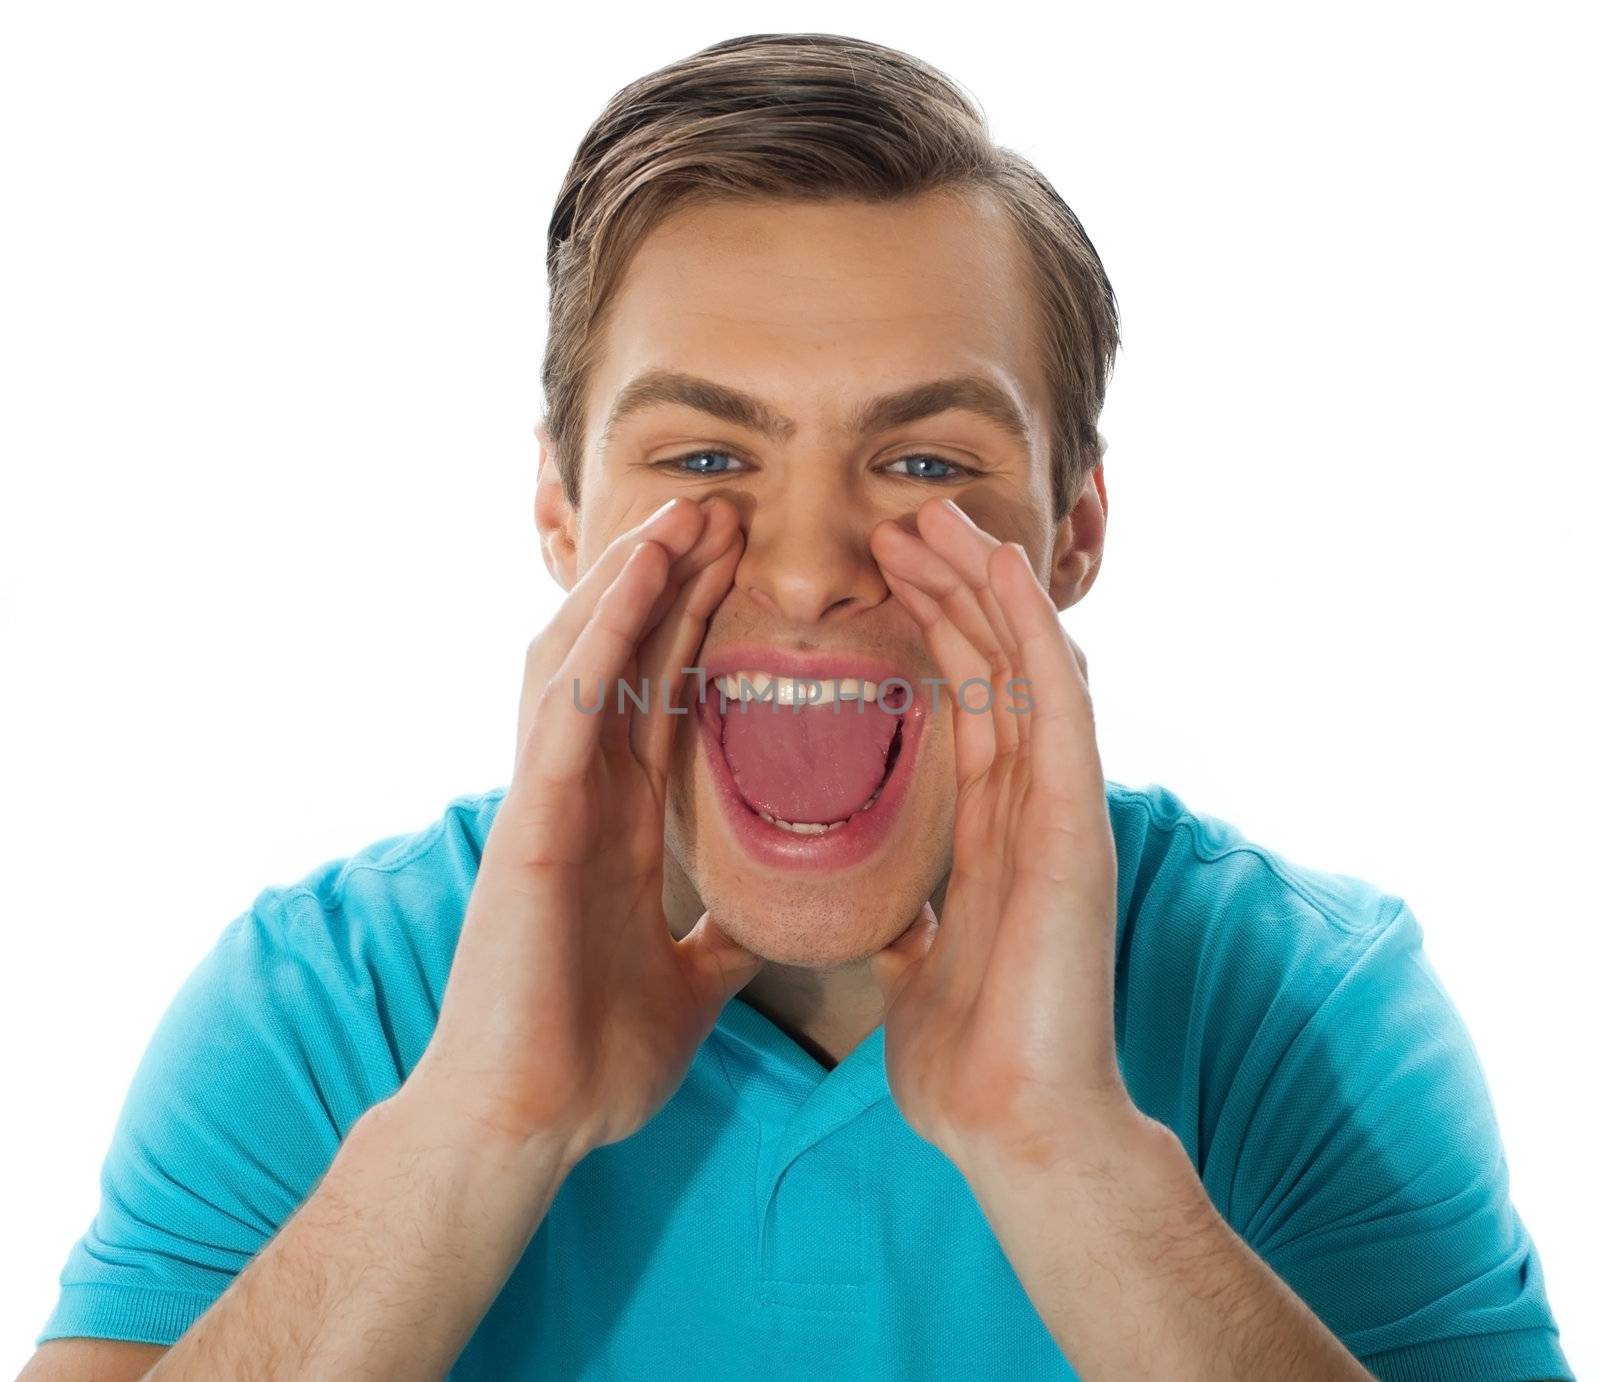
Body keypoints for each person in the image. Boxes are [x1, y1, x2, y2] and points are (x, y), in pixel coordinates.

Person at [24, 31, 1572, 1382]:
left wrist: (1070, 1157)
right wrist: (476, 1126)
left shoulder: (1297, 1005)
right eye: (704, 460)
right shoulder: (324, 1005)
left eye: (928, 463)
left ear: (1075, 529)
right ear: (560, 513)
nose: (816, 563)